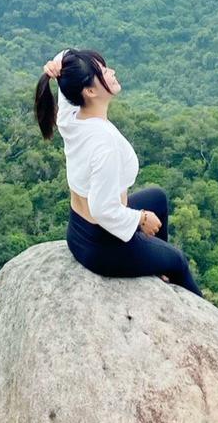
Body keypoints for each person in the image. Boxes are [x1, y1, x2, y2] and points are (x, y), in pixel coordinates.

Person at [34, 47, 204, 297]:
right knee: (177, 260)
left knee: (157, 197)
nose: (111, 72)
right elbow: (102, 209)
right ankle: (189, 304)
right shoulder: (104, 145)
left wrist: (57, 64)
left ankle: (155, 266)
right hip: (104, 246)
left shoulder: (71, 118)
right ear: (90, 91)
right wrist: (140, 218)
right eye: (103, 72)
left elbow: (70, 62)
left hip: (78, 232)